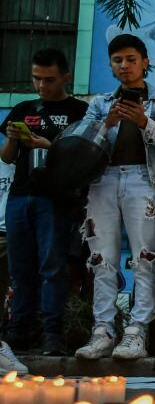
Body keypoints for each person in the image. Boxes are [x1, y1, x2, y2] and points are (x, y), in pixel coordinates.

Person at [76, 34, 155, 360]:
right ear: (111, 65)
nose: (125, 66)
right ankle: (103, 331)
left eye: (131, 59)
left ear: (145, 62)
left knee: (145, 257)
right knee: (101, 259)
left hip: (143, 179)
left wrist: (143, 121)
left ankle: (137, 332)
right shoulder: (100, 102)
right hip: (101, 181)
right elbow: (80, 143)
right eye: (118, 60)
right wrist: (107, 122)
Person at [0, 48, 88, 360]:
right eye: (36, 78)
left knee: (52, 266)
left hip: (56, 198)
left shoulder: (79, 111)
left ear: (65, 76)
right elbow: (7, 157)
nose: (42, 85)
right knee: (20, 267)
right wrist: (13, 138)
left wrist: (49, 146)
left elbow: (83, 158)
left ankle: (52, 332)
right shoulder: (25, 108)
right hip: (20, 195)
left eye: (49, 79)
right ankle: (20, 330)